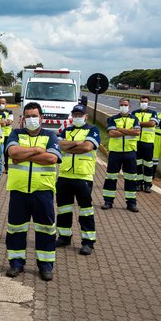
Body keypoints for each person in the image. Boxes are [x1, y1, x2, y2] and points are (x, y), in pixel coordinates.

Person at [5, 101, 62, 281]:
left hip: (42, 191)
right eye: (28, 116)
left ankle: (45, 266)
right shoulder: (15, 133)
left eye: (34, 116)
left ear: (41, 117)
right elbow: (12, 153)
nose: (31, 119)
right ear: (22, 119)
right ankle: (16, 263)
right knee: (15, 230)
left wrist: (24, 155)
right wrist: (37, 150)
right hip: (18, 191)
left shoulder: (51, 136)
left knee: (45, 230)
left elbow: (52, 158)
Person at [56, 104, 100, 255]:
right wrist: (77, 144)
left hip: (83, 176)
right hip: (64, 175)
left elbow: (88, 147)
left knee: (85, 211)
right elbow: (57, 145)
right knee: (63, 209)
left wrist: (68, 146)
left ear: (86, 116)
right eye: (74, 115)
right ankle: (64, 236)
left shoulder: (92, 130)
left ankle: (88, 242)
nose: (77, 117)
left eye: (80, 115)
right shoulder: (66, 130)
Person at [101, 98, 141, 212]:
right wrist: (128, 131)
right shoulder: (113, 119)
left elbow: (137, 132)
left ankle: (131, 203)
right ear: (119, 106)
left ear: (129, 106)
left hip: (130, 152)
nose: (124, 106)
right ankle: (108, 201)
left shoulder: (134, 119)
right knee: (111, 177)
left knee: (131, 178)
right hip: (115, 153)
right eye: (122, 105)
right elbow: (111, 134)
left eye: (125, 105)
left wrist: (120, 129)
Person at [132, 96, 158, 193]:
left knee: (148, 164)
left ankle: (147, 185)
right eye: (142, 101)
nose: (144, 103)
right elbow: (132, 124)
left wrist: (138, 123)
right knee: (137, 164)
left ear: (149, 103)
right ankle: (138, 183)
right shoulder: (135, 113)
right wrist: (144, 123)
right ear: (139, 102)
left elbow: (152, 124)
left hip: (148, 142)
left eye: (145, 101)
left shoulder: (153, 113)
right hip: (136, 142)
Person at [0, 97, 14, 171]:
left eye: (3, 103)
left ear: (6, 104)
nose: (2, 104)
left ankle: (6, 167)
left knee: (6, 152)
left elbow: (10, 122)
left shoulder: (9, 111)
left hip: (7, 134)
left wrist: (3, 122)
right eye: (0, 103)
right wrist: (4, 121)